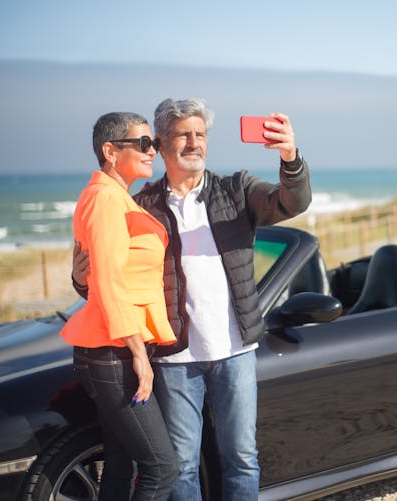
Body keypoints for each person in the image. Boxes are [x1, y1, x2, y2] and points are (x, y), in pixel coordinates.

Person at [73, 98, 311, 500]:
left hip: (235, 351)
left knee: (242, 458)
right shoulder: (141, 205)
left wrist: (290, 157)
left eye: (200, 134)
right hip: (174, 358)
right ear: (162, 144)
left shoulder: (237, 190)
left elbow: (291, 202)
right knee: (181, 466)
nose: (194, 142)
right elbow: (112, 274)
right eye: (183, 134)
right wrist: (81, 280)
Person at [61, 112, 178, 500]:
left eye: (154, 144)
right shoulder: (105, 200)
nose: (152, 152)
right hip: (114, 351)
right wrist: (137, 354)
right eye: (143, 144)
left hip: (119, 347)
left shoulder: (116, 198)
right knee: (161, 468)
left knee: (120, 464)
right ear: (110, 152)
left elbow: (102, 274)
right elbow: (109, 280)